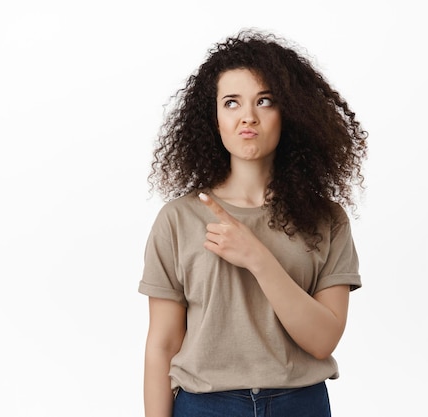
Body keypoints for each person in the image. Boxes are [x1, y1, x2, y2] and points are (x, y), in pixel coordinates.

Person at [138, 29, 368, 417]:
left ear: (289, 112)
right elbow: (162, 345)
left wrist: (256, 257)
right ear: (213, 118)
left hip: (300, 403)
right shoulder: (178, 219)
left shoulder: (326, 219)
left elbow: (323, 340)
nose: (248, 116)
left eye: (264, 101)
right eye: (231, 103)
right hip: (204, 404)